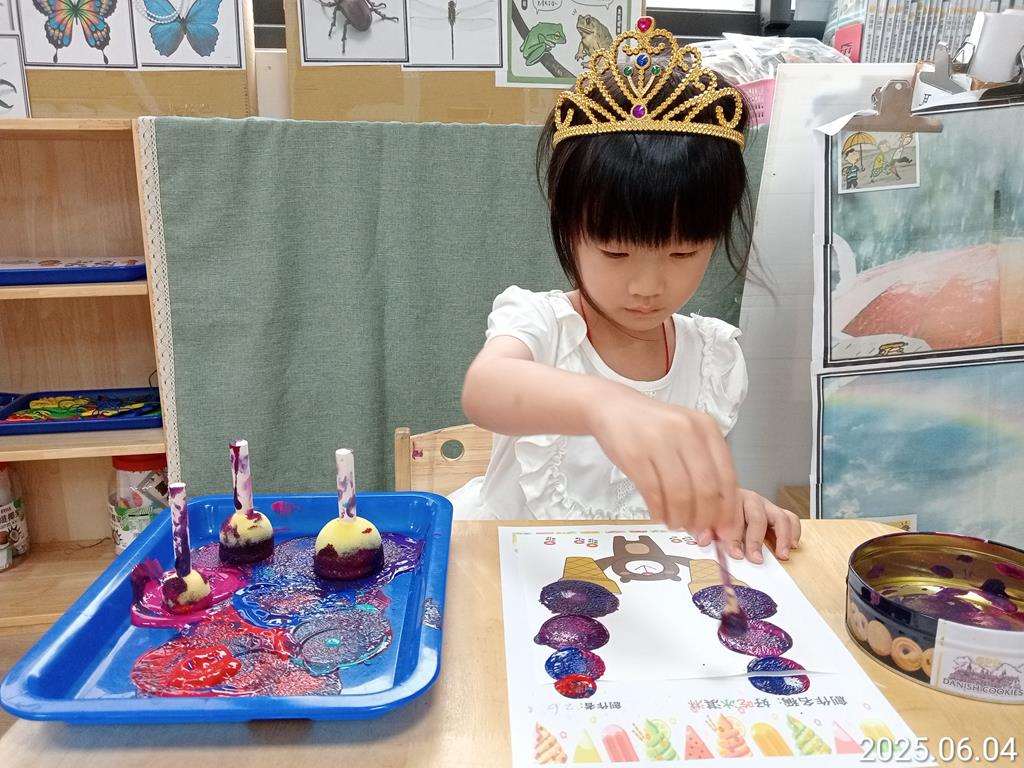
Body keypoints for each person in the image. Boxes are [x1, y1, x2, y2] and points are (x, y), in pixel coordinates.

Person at [450, 17, 801, 563]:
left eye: (683, 253)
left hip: (625, 587)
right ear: (567, 223)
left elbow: (678, 495)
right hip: (504, 575)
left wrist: (732, 503)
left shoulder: (712, 358)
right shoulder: (542, 325)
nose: (647, 286)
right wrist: (604, 404)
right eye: (616, 253)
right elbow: (485, 390)